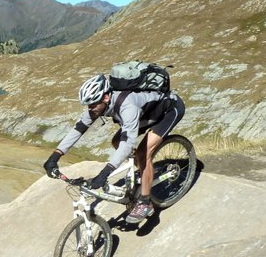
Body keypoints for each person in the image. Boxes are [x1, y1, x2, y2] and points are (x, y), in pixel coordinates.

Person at [43, 74, 185, 224]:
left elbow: (128, 144)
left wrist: (104, 173)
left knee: (143, 153)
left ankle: (145, 202)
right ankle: (144, 171)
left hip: (169, 111)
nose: (90, 109)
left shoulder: (127, 106)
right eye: (88, 105)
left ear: (105, 98)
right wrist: (55, 156)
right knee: (117, 141)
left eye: (92, 105)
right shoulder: (98, 104)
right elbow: (78, 129)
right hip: (145, 115)